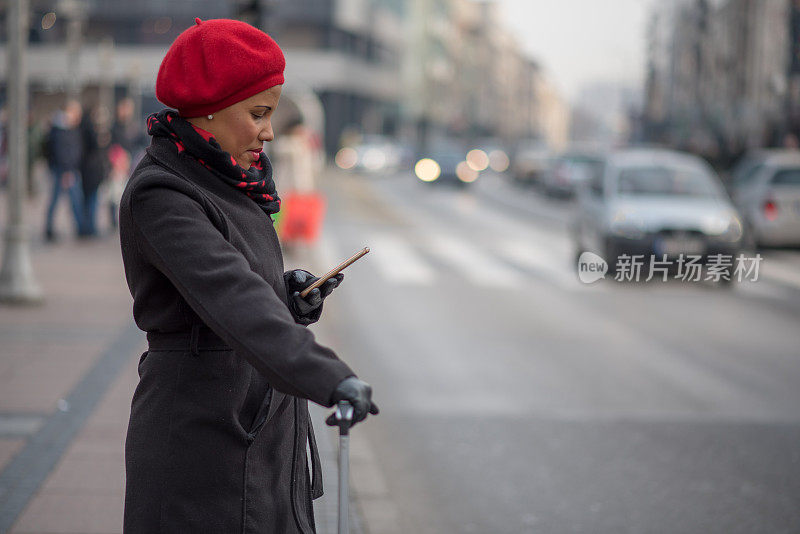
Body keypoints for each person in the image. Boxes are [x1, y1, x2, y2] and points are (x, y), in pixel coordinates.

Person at [118, 18, 378, 534]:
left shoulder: (229, 177)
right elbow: (234, 299)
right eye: (258, 113)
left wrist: (289, 296)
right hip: (201, 443)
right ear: (207, 108)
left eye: (271, 114)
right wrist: (330, 376)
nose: (269, 130)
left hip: (254, 427)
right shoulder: (163, 193)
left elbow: (246, 287)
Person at [44, 100, 84, 241]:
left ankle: (79, 228)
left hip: (68, 168)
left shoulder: (67, 127)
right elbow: (62, 151)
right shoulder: (63, 128)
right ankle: (51, 229)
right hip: (65, 170)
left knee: (68, 200)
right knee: (67, 200)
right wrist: (67, 170)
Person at [78, 104, 109, 237]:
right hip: (93, 170)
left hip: (87, 170)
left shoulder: (81, 128)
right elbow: (96, 146)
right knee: (92, 200)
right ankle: (91, 228)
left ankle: (87, 227)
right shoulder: (91, 129)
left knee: (87, 200)